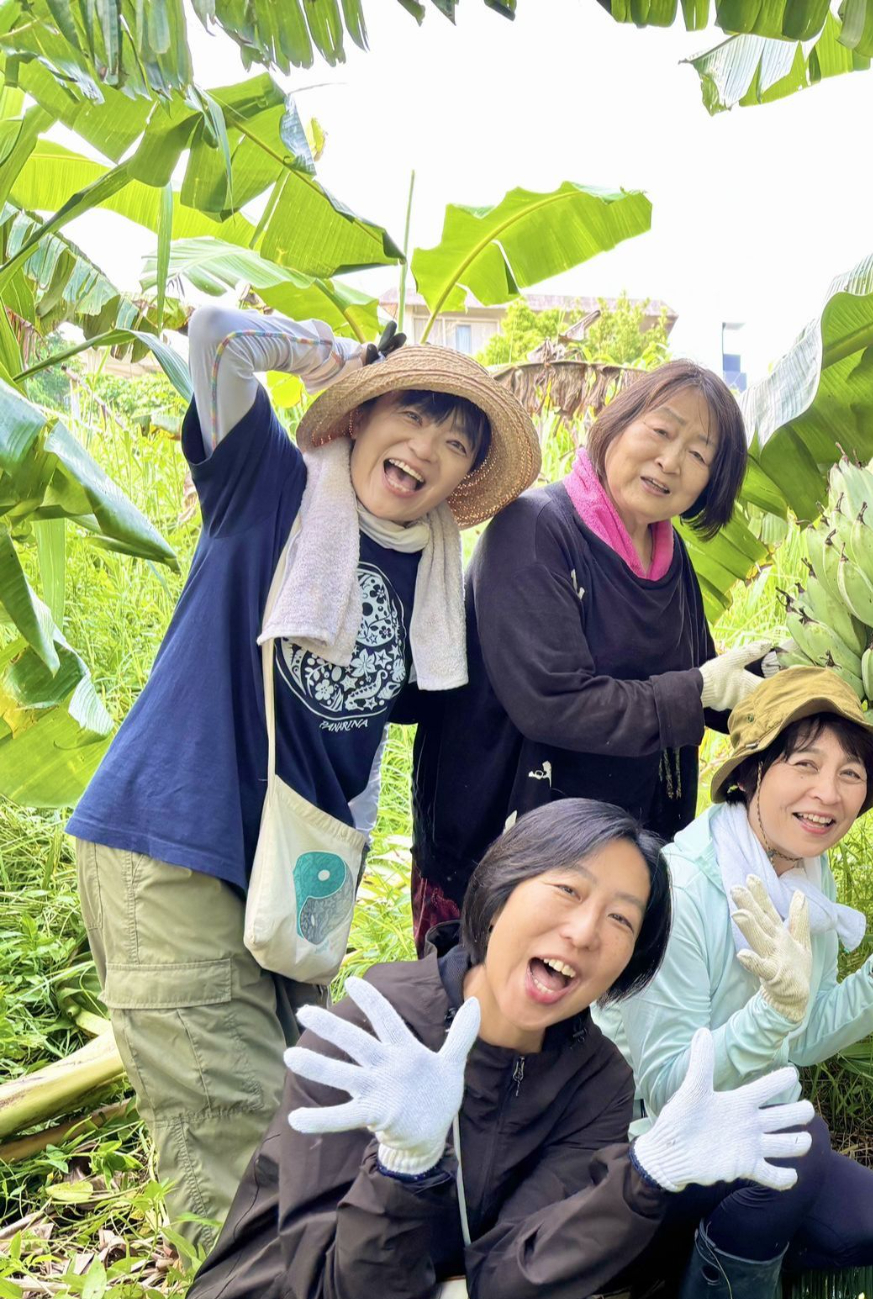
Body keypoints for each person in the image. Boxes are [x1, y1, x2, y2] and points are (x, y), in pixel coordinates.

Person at [67, 306, 540, 1250]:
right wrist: (341, 355)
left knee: (310, 1123)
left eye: (456, 443)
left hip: (295, 876)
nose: (427, 450)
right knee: (235, 1140)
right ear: (359, 417)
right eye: (409, 413)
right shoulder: (271, 487)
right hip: (177, 845)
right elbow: (217, 337)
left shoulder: (432, 580)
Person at [160, 798, 814, 1299]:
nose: (585, 932)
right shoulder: (380, 1028)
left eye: (621, 920)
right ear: (502, 891)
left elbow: (505, 1287)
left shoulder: (596, 1078)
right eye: (566, 891)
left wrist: (644, 1177)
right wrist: (403, 1169)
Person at [594, 667, 873, 1299]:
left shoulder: (799, 869)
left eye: (850, 773)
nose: (828, 794)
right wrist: (771, 1015)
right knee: (796, 1141)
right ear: (751, 774)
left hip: (723, 1141)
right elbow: (666, 1089)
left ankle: (689, 1272)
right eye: (804, 765)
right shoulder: (687, 886)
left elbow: (804, 1032)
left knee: (871, 1219)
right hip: (624, 1156)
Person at [410, 360, 774, 951]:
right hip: (500, 852)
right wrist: (699, 690)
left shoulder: (669, 556)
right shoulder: (533, 529)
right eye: (660, 431)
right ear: (618, 424)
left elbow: (698, 678)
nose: (671, 461)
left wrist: (775, 686)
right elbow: (554, 701)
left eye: (699, 454)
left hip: (615, 860)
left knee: (589, 1037)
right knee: (488, 1024)